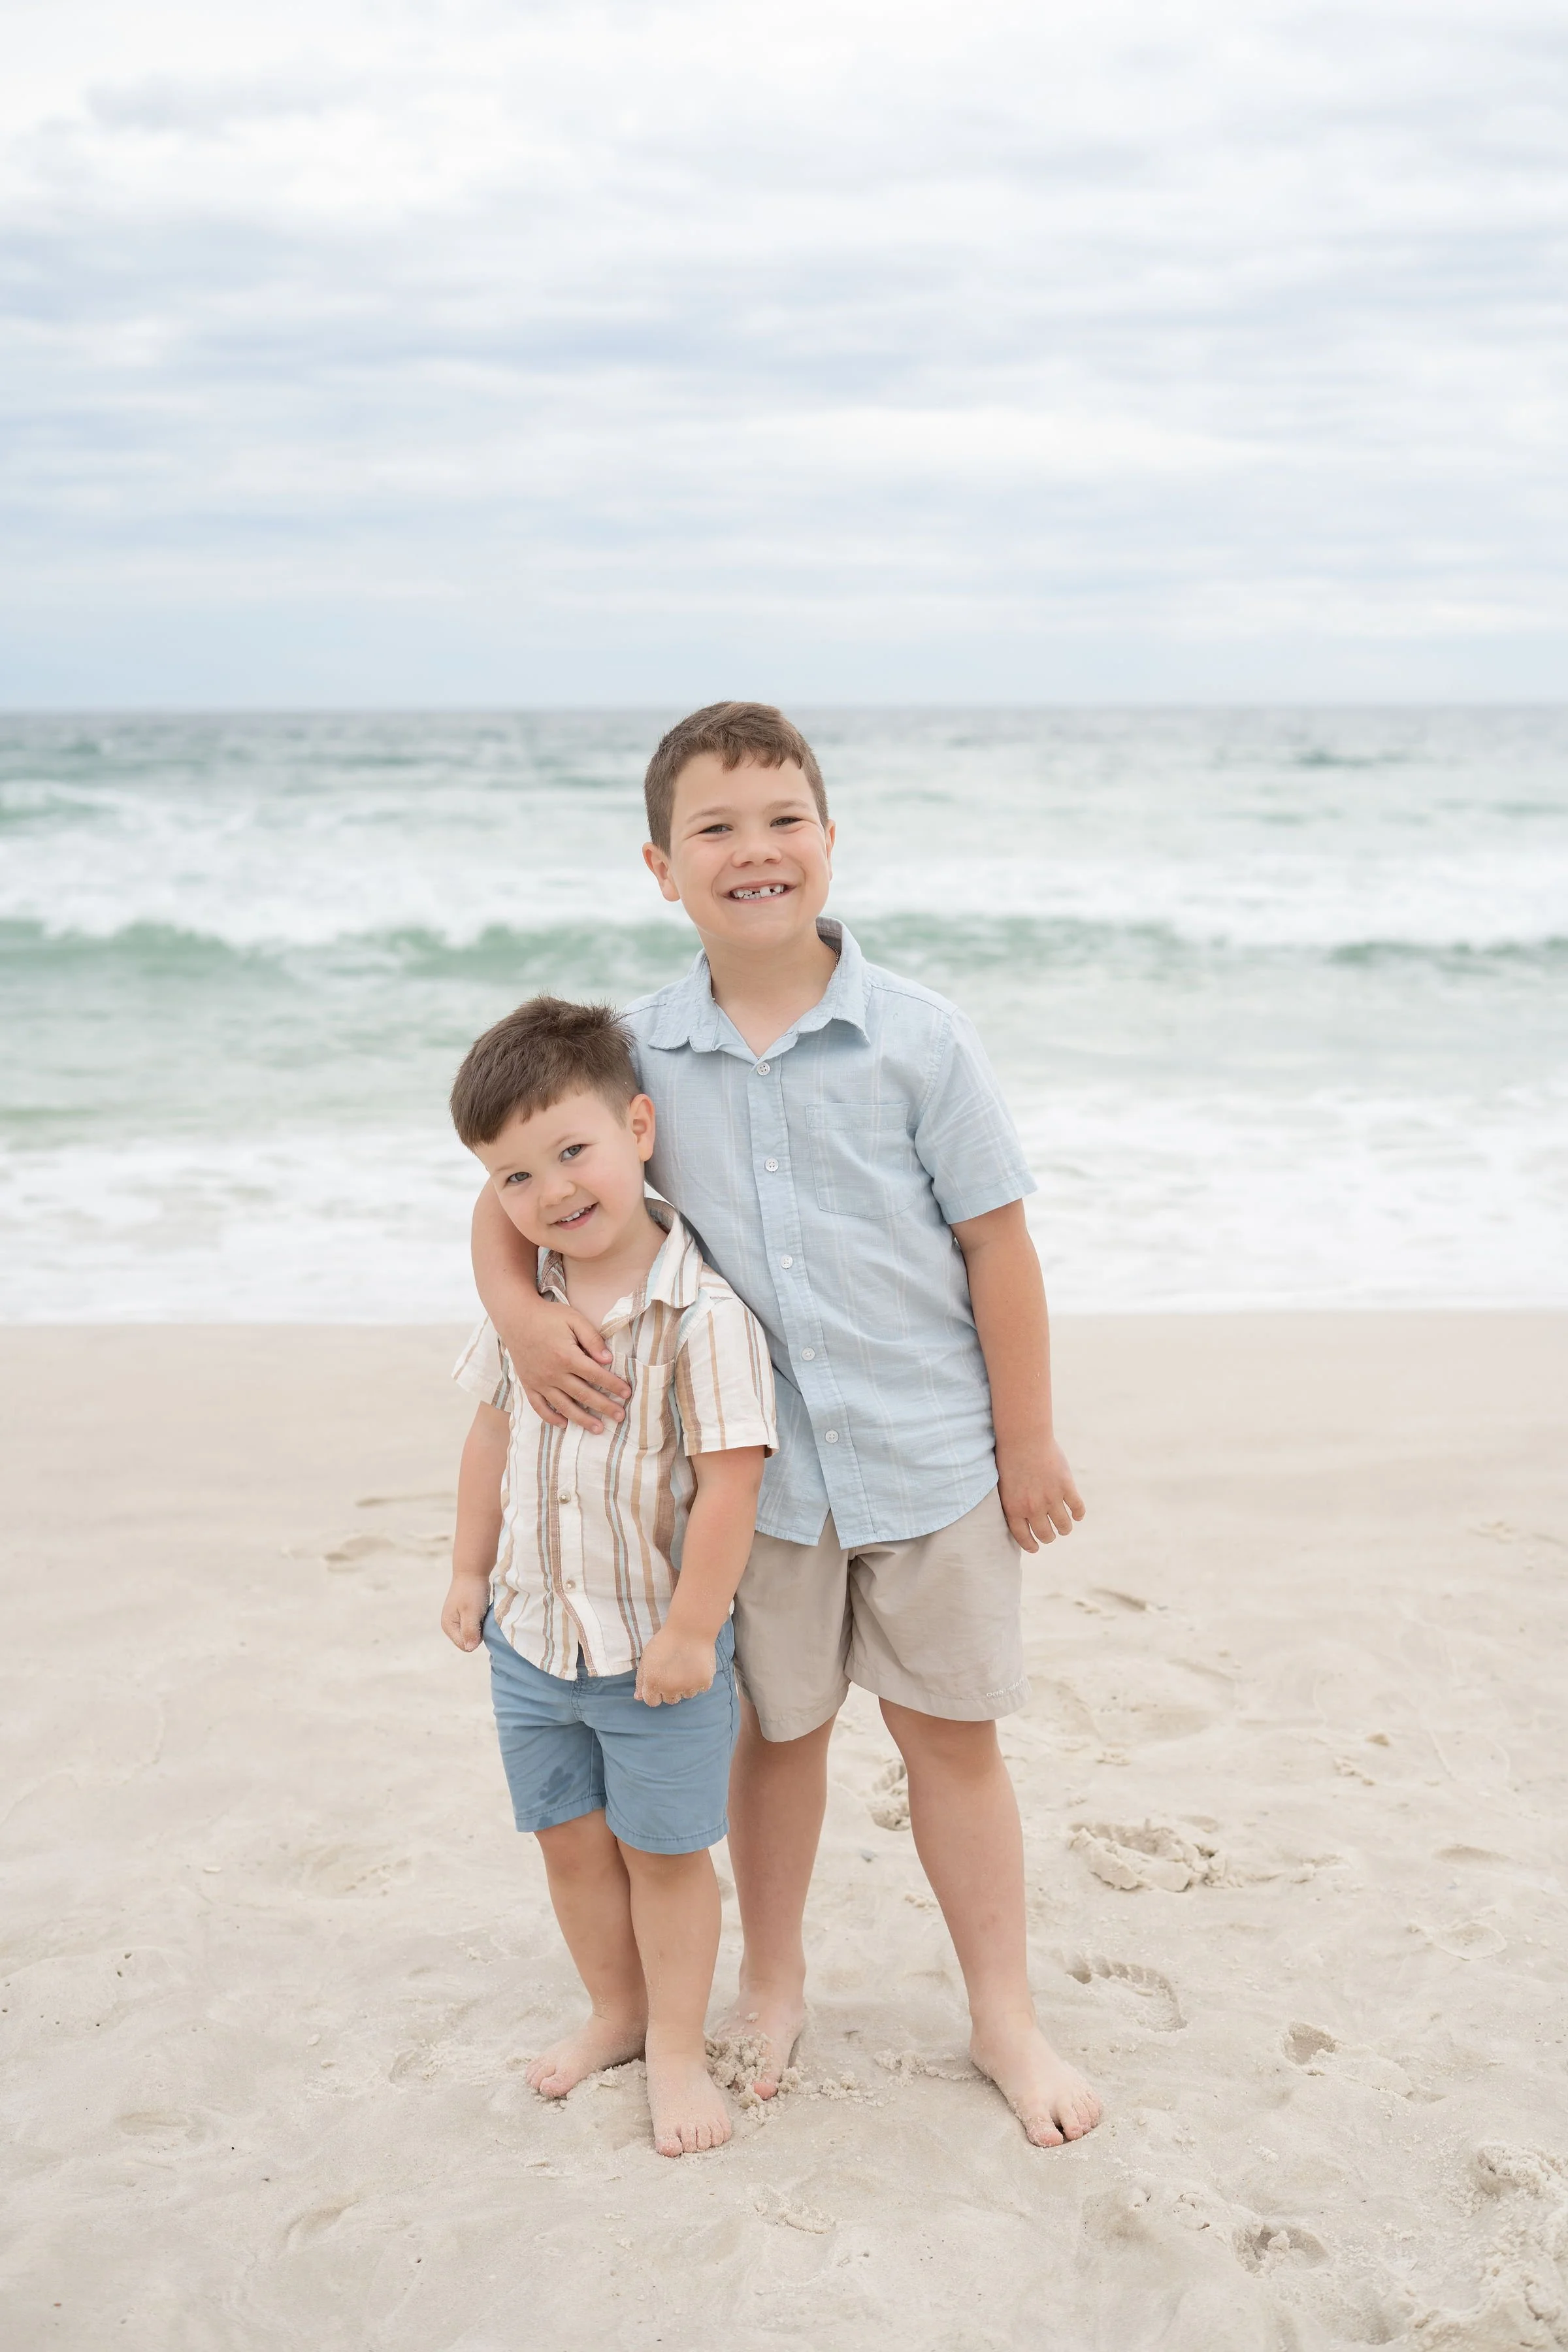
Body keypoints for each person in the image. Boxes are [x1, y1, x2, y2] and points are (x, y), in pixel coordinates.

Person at [472, 703, 1101, 2148]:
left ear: (829, 841)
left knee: (953, 1736)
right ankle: (773, 1978)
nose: (753, 852)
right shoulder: (639, 1053)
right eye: (716, 829)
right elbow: (511, 1188)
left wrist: (1031, 1440)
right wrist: (515, 1310)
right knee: (779, 1738)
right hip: (755, 1483)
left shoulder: (919, 1040)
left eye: (781, 821)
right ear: (660, 864)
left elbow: (998, 1245)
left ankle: (1001, 2009)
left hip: (933, 1457)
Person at [440, 994, 776, 2158]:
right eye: (514, 1178)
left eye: (570, 1152)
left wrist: (694, 1631)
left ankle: (678, 2047)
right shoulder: (524, 1304)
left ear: (639, 1128)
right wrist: (468, 1568)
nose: (551, 1193)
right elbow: (490, 1438)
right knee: (569, 1842)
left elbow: (732, 1486)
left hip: (652, 1652)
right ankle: (617, 2014)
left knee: (667, 1855)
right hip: (535, 1643)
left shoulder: (704, 1316)